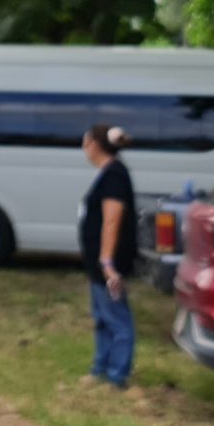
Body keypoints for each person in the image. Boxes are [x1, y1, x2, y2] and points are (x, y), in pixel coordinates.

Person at [80, 124, 139, 389]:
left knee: (117, 319)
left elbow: (112, 221)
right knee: (102, 317)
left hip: (108, 264)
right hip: (98, 262)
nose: (84, 148)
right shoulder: (109, 173)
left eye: (85, 142)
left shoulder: (114, 175)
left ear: (94, 144)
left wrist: (107, 262)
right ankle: (100, 369)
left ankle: (117, 377)